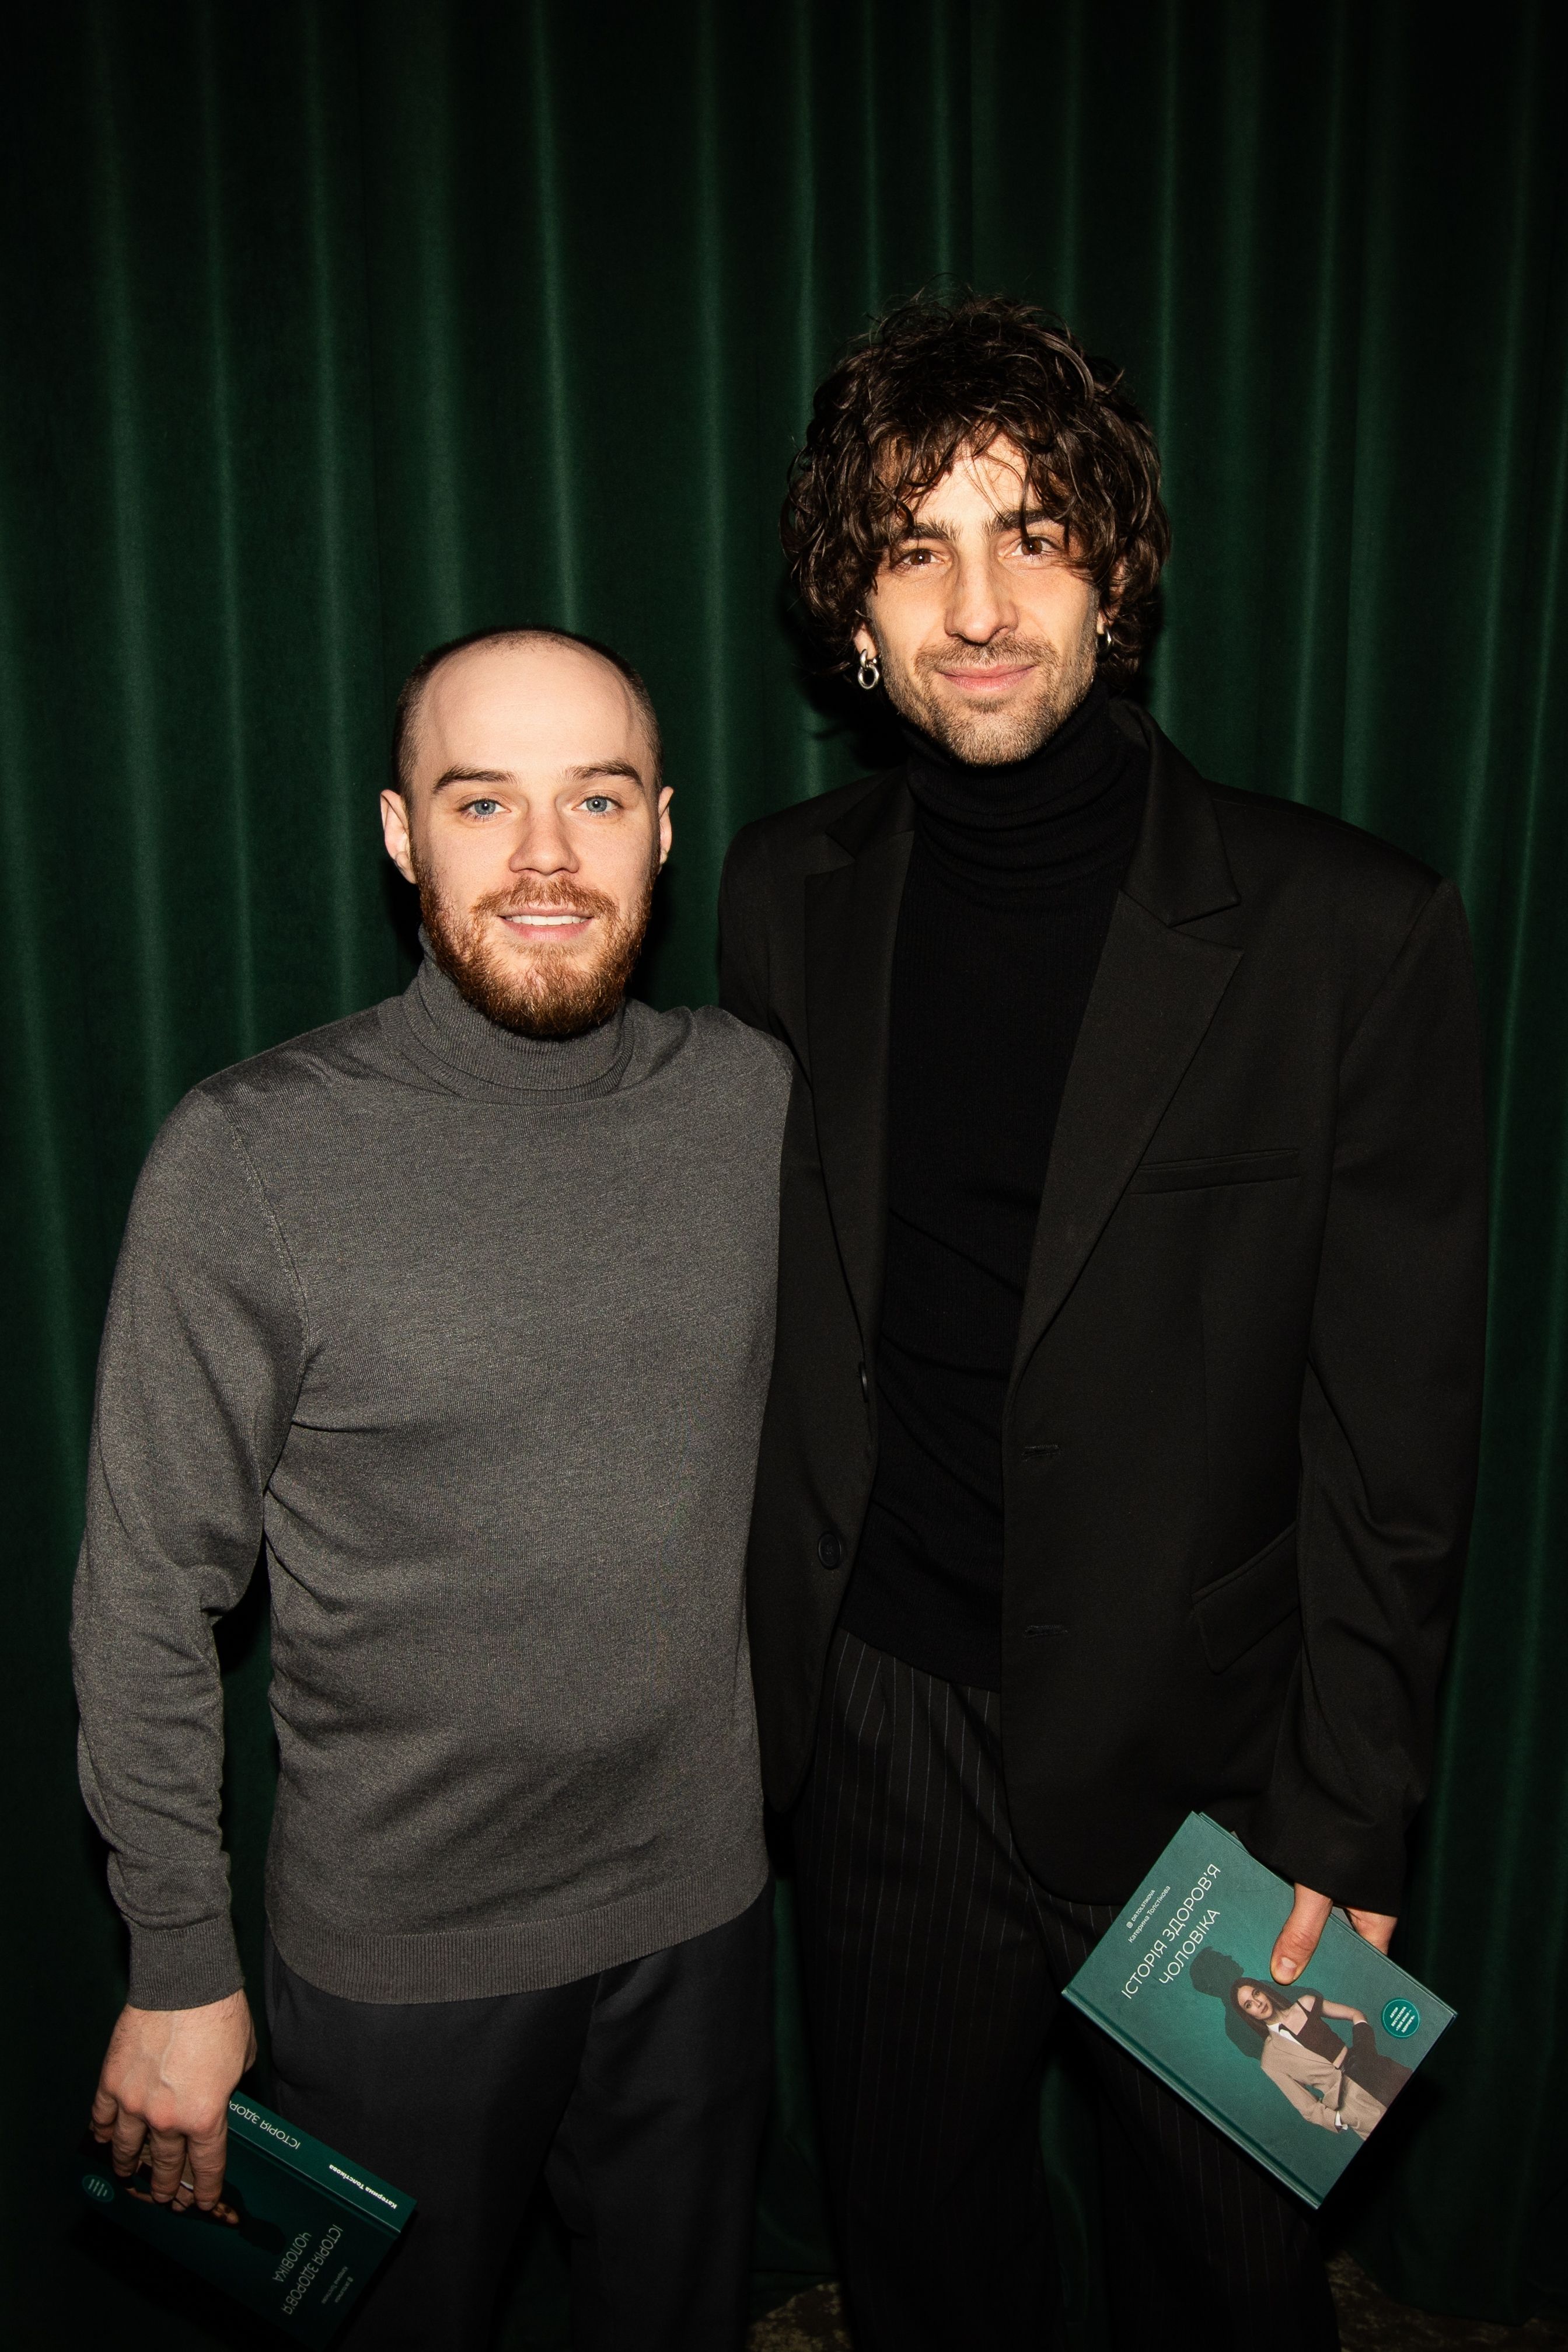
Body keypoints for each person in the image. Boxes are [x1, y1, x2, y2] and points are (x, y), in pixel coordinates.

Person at [719, 296, 1487, 2351]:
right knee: (922, 2262)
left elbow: (1393, 1446)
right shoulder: (780, 896)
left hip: (1218, 1764)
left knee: (1232, 2286)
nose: (978, 607)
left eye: (1031, 535)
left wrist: (1349, 1815)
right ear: (849, 611)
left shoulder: (1353, 930)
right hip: (881, 1733)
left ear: (1116, 573)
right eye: (915, 548)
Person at [72, 626, 794, 2352]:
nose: (545, 856)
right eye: (483, 802)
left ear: (662, 827)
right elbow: (146, 1589)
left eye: (595, 799)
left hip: (701, 1915)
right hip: (400, 1959)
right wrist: (178, 1960)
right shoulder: (252, 1153)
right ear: (402, 835)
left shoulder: (755, 1102)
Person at [1230, 1978, 1412, 2131]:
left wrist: (1365, 2051)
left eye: (1256, 1994)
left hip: (1378, 2070)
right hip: (1355, 2105)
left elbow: (1355, 2014)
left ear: (1264, 1991)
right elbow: (1308, 2108)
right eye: (1249, 2005)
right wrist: (1342, 2118)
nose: (1258, 2003)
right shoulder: (1270, 2060)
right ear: (1248, 2015)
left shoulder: (1306, 2004)